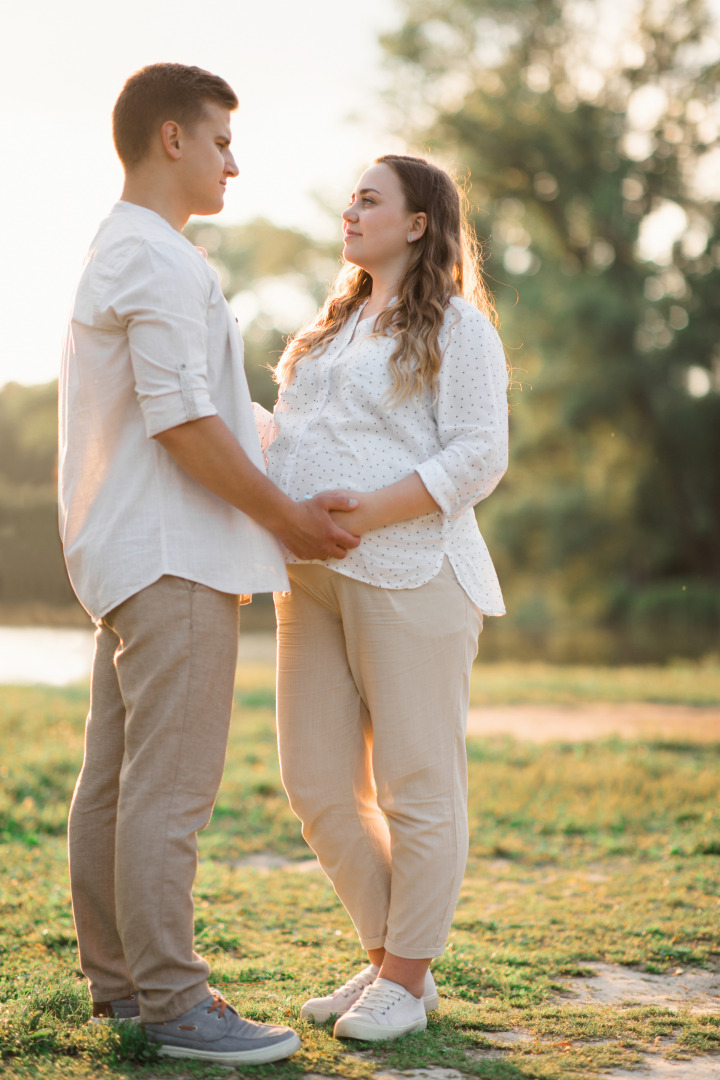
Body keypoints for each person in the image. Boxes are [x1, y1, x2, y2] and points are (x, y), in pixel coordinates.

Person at [58, 62, 359, 1066]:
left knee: (116, 781)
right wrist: (289, 518)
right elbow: (181, 421)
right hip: (172, 555)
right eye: (222, 140)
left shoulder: (133, 250)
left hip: (130, 555)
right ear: (172, 139)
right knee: (168, 791)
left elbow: (206, 412)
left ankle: (124, 992)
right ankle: (177, 1004)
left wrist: (290, 447)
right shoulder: (155, 259)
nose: (236, 160)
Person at [263, 154, 509, 1042]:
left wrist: (365, 512)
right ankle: (387, 962)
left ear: (417, 222)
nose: (350, 210)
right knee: (318, 782)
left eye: (370, 199)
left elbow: (480, 454)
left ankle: (406, 976)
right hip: (310, 577)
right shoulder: (326, 330)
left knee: (418, 785)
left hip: (414, 572)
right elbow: (291, 441)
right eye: (350, 198)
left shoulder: (458, 326)